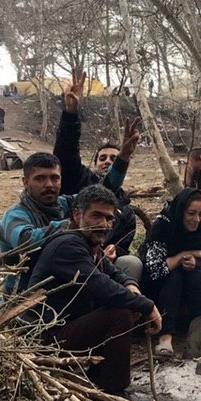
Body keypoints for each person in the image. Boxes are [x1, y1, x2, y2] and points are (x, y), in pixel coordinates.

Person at [28, 185, 160, 397]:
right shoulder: (67, 245)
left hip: (65, 328)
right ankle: (114, 391)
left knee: (124, 302)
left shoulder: (88, 242)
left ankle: (98, 375)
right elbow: (102, 286)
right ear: (77, 214)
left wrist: (132, 287)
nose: (104, 224)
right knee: (120, 313)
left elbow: (115, 273)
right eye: (96, 216)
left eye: (108, 219)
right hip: (44, 339)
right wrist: (147, 305)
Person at [0, 142, 135, 296]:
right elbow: (25, 241)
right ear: (25, 182)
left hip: (65, 290)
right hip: (25, 300)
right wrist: (69, 225)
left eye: (54, 178)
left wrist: (123, 158)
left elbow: (102, 194)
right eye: (40, 179)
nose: (49, 185)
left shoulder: (65, 204)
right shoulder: (15, 215)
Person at [55, 69, 141, 277]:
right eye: (103, 158)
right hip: (71, 258)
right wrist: (70, 114)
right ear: (94, 163)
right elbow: (65, 155)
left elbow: (123, 244)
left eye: (114, 159)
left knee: (132, 263)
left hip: (106, 266)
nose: (108, 162)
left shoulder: (126, 211)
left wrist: (113, 251)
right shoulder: (79, 181)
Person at [139, 188, 201, 359]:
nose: (196, 220)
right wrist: (181, 256)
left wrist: (197, 261)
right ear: (181, 211)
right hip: (158, 293)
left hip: (188, 295)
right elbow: (154, 270)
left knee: (195, 274)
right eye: (191, 213)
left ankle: (197, 329)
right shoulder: (164, 226)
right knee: (175, 276)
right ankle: (165, 337)